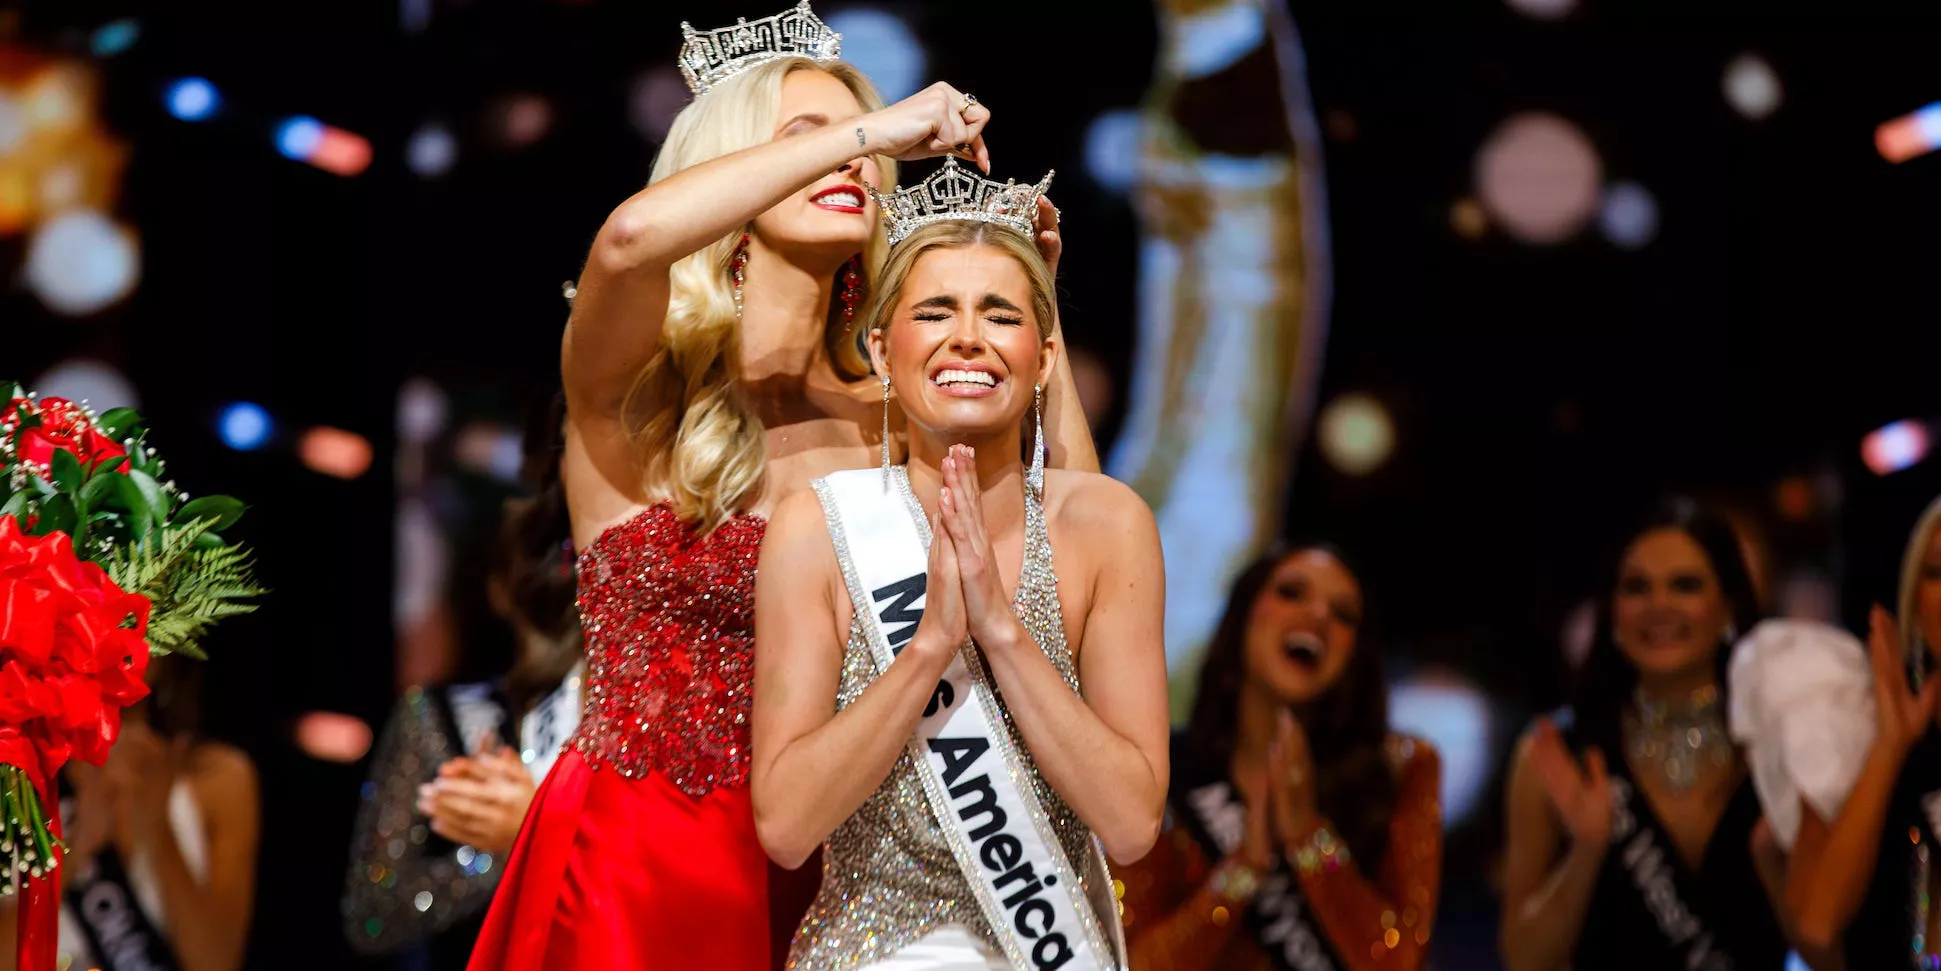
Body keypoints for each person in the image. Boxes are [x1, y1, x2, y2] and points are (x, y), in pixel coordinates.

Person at [466, 4, 1095, 967]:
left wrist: (1033, 315)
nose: (847, 163)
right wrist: (870, 130)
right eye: (799, 140)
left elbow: (1075, 551)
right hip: (634, 870)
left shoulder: (897, 421)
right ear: (725, 170)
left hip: (841, 883)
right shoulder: (638, 397)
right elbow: (631, 241)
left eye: (860, 154)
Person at [751, 174, 1169, 970]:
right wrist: (927, 647)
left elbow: (1129, 823)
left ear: (1043, 357)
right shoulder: (818, 525)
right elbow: (786, 825)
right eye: (935, 311)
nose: (967, 337)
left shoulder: (1108, 525)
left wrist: (1000, 633)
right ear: (881, 348)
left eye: (1001, 314)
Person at [1117, 544, 1443, 971]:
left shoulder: (1401, 769)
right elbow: (1133, 963)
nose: (1319, 617)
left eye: (1344, 615)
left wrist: (1309, 839)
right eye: (1291, 593)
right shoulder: (1165, 768)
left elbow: (1401, 961)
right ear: (1244, 618)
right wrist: (1243, 871)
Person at [343, 391, 584, 969]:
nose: (553, 577)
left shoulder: (627, 710)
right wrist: (501, 855)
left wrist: (532, 834)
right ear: (496, 587)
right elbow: (374, 912)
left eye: (569, 558)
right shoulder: (440, 718)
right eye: (533, 558)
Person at [1499, 497, 1788, 971]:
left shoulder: (1780, 743)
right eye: (1636, 588)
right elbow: (1524, 960)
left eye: (1686, 585)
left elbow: (1832, 943)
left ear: (1729, 608)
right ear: (1612, 612)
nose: (1659, 606)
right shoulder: (1553, 755)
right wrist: (1588, 851)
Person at [0, 652, 260, 971]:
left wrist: (157, 828)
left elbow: (216, 964)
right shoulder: (16, 778)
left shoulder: (217, 778)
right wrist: (77, 848)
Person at [1783, 495, 1941, 969]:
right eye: (1937, 573)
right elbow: (1817, 925)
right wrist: (1891, 744)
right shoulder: (1858, 730)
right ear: (1916, 597)